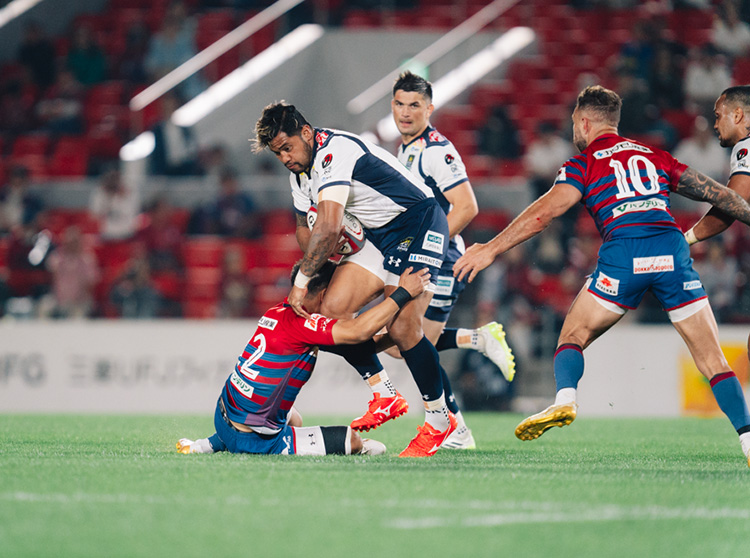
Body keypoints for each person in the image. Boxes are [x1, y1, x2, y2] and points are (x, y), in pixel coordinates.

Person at [454, 85, 750, 467]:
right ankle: (747, 439)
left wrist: (491, 248)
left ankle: (565, 400)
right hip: (671, 251)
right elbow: (723, 197)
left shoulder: (584, 163)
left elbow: (544, 213)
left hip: (623, 256)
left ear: (584, 122)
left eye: (574, 124)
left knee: (572, 336)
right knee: (713, 361)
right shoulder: (654, 155)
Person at [254, 102, 458, 457]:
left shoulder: (335, 151)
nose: (285, 158)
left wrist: (302, 282)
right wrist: (322, 258)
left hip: (419, 221)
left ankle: (440, 421)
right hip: (378, 236)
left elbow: (329, 225)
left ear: (306, 132)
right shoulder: (299, 175)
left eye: (287, 147)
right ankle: (384, 393)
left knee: (403, 328)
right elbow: (305, 230)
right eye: (278, 153)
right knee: (328, 315)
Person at [176, 261, 429, 456]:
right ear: (325, 295)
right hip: (255, 439)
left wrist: (400, 334)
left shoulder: (278, 312)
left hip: (223, 415)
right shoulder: (307, 324)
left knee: (294, 418)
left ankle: (210, 443)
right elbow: (358, 331)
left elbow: (359, 346)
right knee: (355, 442)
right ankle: (232, 443)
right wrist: (403, 293)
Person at [389, 70, 515, 449]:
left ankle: (455, 429)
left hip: (441, 261)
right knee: (404, 343)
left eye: (414, 105)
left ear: (429, 109)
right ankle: (477, 340)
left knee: (414, 345)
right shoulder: (405, 148)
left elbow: (467, 206)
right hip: (425, 258)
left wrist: (427, 249)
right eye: (399, 104)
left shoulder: (436, 151)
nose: (405, 112)